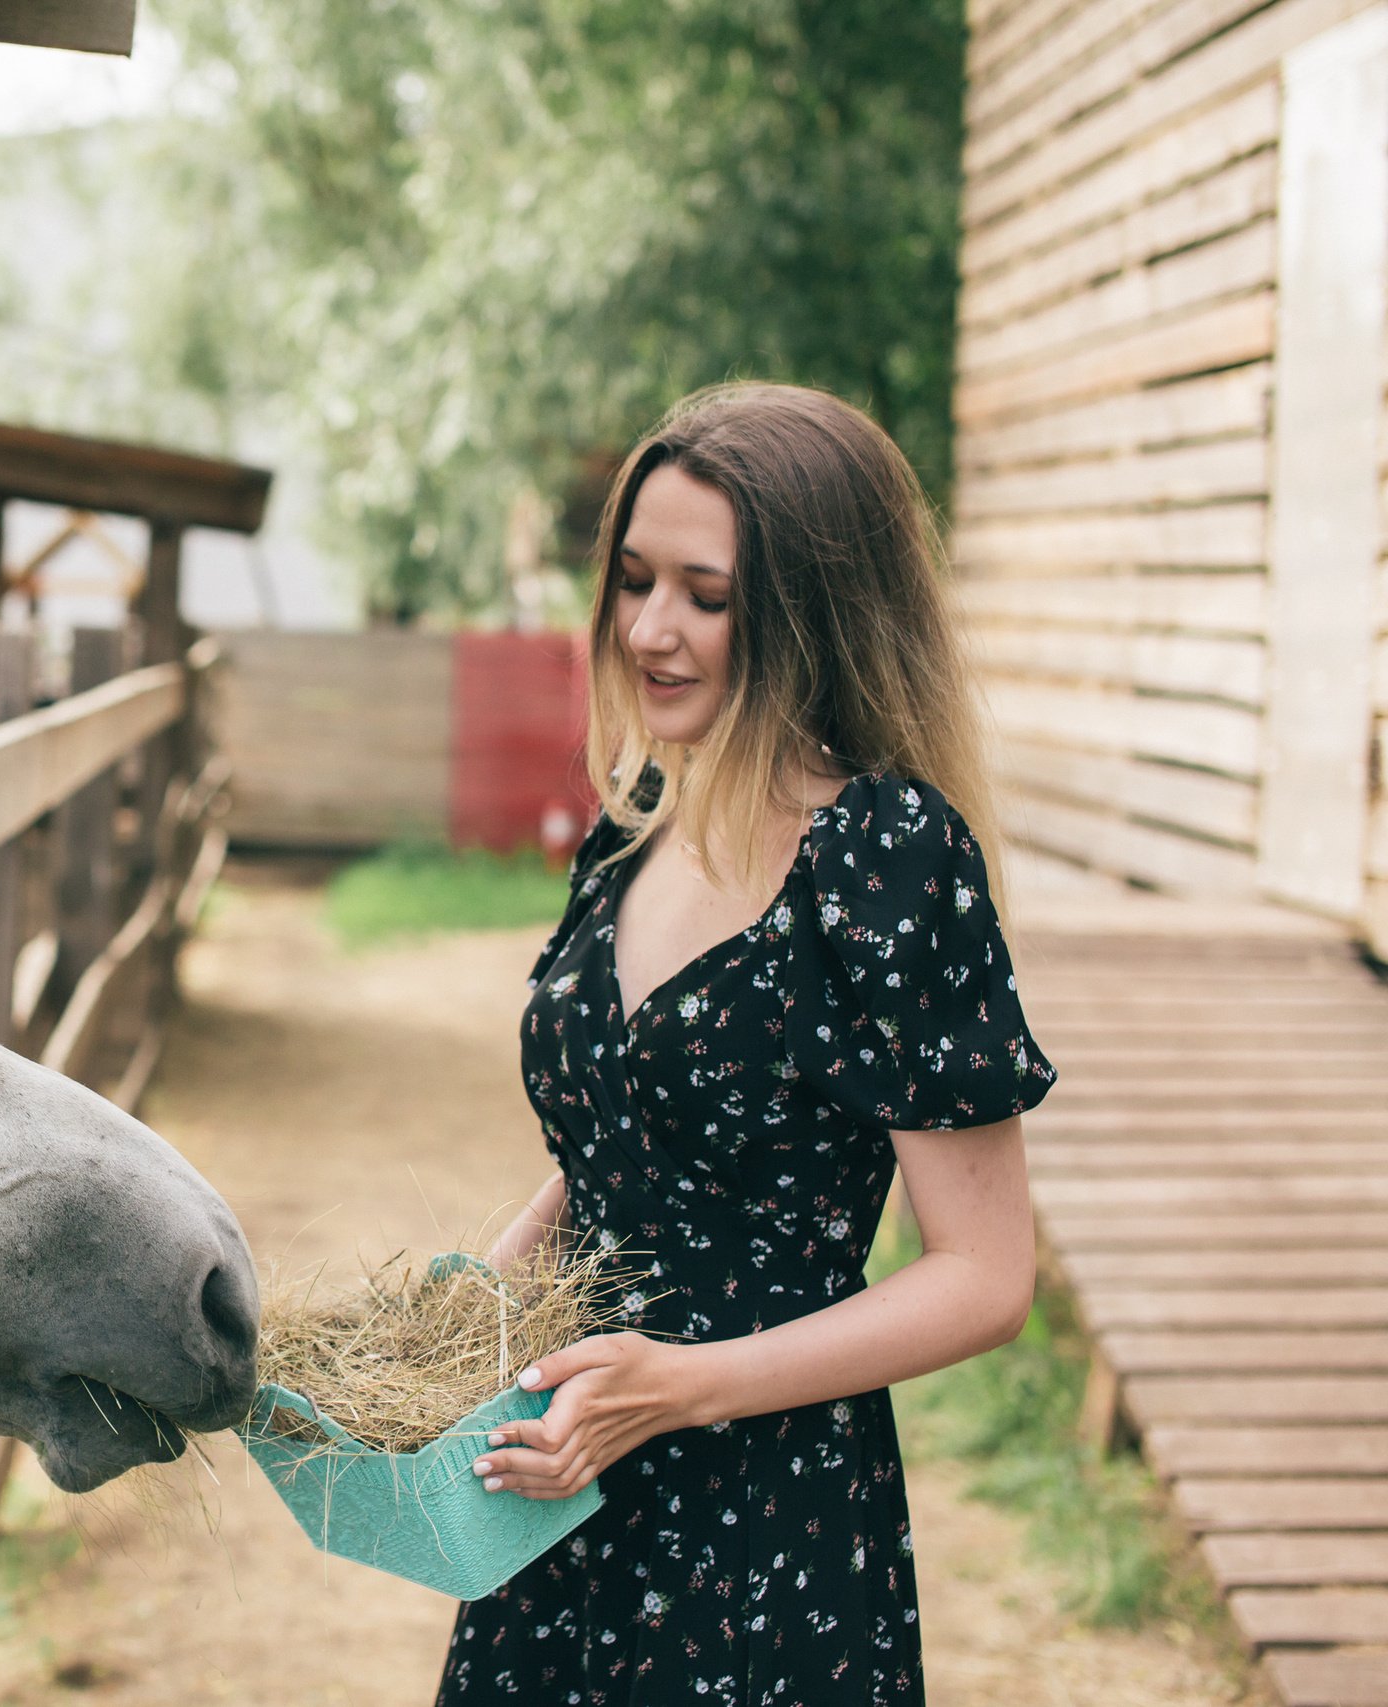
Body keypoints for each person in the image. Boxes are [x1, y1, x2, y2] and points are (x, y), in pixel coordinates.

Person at [437, 383, 1053, 1705]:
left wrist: (683, 1390)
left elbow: (990, 1275)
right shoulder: (631, 829)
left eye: (705, 596)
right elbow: (634, 1132)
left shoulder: (886, 861)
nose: (652, 628)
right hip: (555, 1492)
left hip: (764, 1530)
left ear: (809, 607)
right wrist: (486, 1289)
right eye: (636, 579)